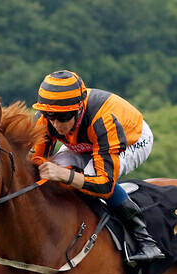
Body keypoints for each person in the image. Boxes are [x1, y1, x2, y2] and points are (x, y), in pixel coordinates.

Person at [32, 70, 163, 262]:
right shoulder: (44, 120)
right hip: (88, 142)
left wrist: (66, 176)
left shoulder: (104, 121)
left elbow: (104, 184)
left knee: (90, 175)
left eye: (63, 117)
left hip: (130, 139)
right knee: (46, 174)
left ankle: (146, 241)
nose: (56, 124)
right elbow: (37, 162)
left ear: (78, 110)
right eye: (50, 116)